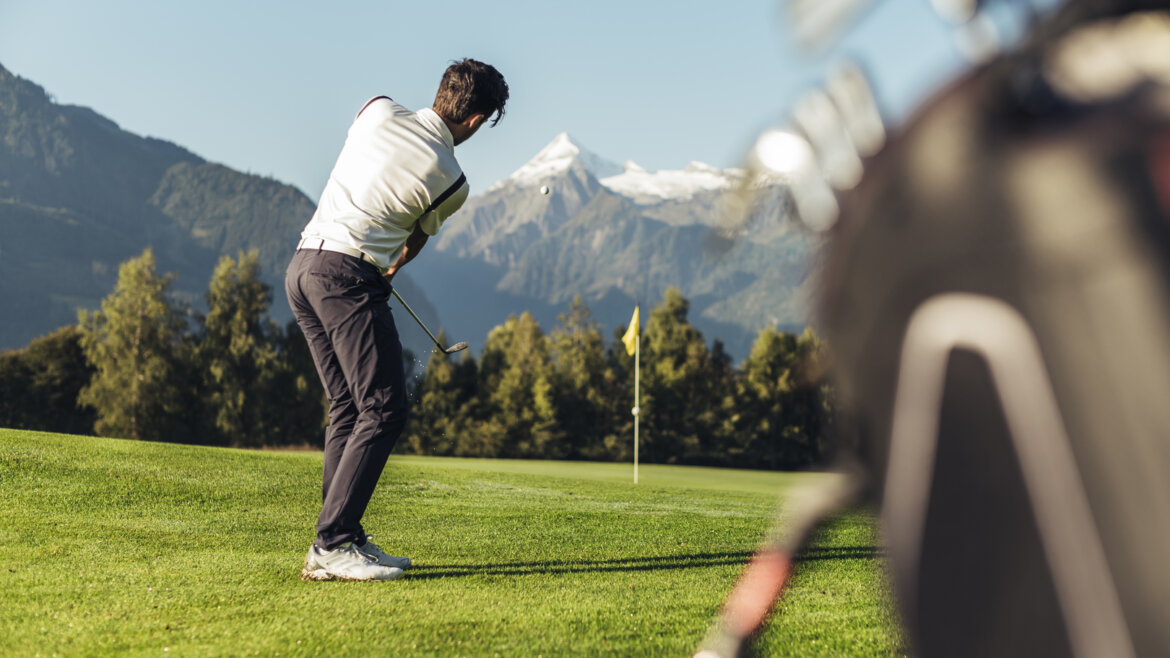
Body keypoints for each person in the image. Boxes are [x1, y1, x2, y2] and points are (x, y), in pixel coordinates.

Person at [285, 58, 509, 582]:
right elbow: (415, 236)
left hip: (304, 266)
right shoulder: (452, 179)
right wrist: (391, 266)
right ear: (477, 120)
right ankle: (332, 543)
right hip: (348, 278)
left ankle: (342, 534)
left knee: (348, 405)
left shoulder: (377, 108)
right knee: (384, 407)